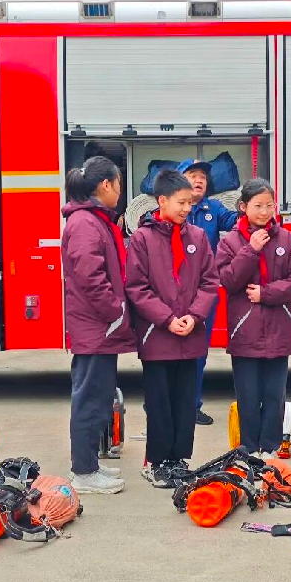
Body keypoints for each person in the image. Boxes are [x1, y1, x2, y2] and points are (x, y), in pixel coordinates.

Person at [125, 169, 220, 488]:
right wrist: (167, 319)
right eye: (181, 202)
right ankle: (158, 462)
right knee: (159, 403)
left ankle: (179, 459)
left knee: (185, 402)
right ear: (162, 201)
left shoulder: (198, 237)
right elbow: (137, 287)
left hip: (190, 335)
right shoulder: (143, 239)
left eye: (190, 203)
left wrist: (194, 315)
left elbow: (210, 282)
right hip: (157, 336)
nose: (186, 208)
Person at [215, 178, 291, 458]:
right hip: (245, 330)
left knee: (274, 395)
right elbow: (228, 280)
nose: (265, 212)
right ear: (243, 207)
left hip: (280, 329)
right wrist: (251, 250)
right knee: (247, 395)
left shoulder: (287, 239)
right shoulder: (231, 242)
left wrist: (266, 293)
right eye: (258, 206)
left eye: (270, 205)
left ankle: (270, 448)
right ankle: (248, 449)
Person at [61, 155, 136, 495]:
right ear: (105, 185)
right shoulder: (85, 223)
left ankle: (88, 463)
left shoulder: (93, 220)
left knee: (98, 397)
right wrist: (114, 311)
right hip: (96, 327)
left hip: (99, 328)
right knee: (90, 400)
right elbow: (90, 277)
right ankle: (84, 472)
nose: (119, 190)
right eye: (118, 183)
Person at [178, 159, 238, 426]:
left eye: (202, 175)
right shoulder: (171, 210)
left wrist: (251, 206)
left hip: (204, 293)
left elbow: (236, 221)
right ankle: (169, 406)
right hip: (176, 292)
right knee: (170, 351)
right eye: (192, 174)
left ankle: (192, 407)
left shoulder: (213, 208)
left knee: (199, 351)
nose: (199, 179)